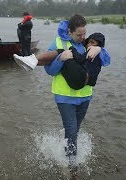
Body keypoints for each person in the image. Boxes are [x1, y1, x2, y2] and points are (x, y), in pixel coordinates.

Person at [44, 14, 110, 166]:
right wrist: (60, 59)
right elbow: (49, 71)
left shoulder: (88, 45)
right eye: (79, 34)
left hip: (85, 97)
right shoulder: (58, 42)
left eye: (84, 34)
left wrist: (99, 49)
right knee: (72, 130)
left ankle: (67, 149)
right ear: (69, 32)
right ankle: (72, 166)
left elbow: (107, 61)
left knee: (74, 131)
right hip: (64, 97)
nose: (82, 37)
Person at [13, 32, 110, 89]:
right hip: (82, 84)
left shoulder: (95, 52)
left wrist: (72, 49)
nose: (89, 45)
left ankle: (32, 60)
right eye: (89, 42)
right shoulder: (89, 47)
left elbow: (81, 60)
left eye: (93, 43)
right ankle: (31, 62)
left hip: (81, 80)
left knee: (62, 52)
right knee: (60, 56)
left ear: (99, 44)